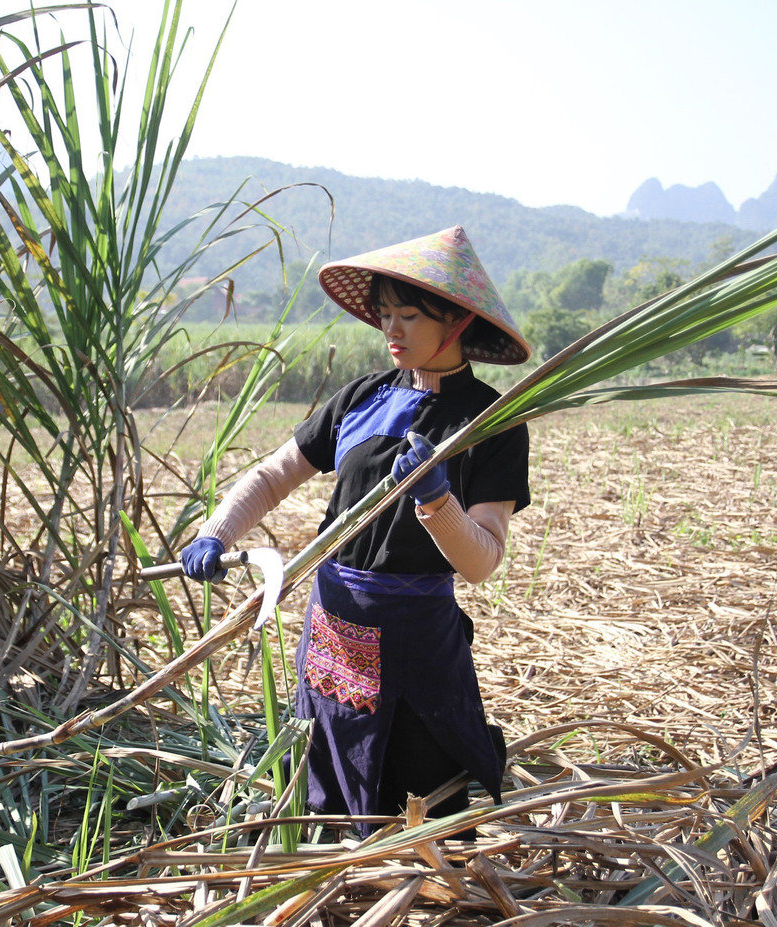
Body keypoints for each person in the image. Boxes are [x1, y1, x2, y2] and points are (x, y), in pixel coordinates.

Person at [178, 226, 532, 835]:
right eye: (385, 314)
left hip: (417, 639)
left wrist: (437, 500)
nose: (391, 329)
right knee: (330, 794)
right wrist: (218, 530)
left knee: (422, 806)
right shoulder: (361, 398)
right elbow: (274, 474)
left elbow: (482, 561)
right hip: (334, 630)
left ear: (456, 321)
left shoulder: (490, 421)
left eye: (409, 317)